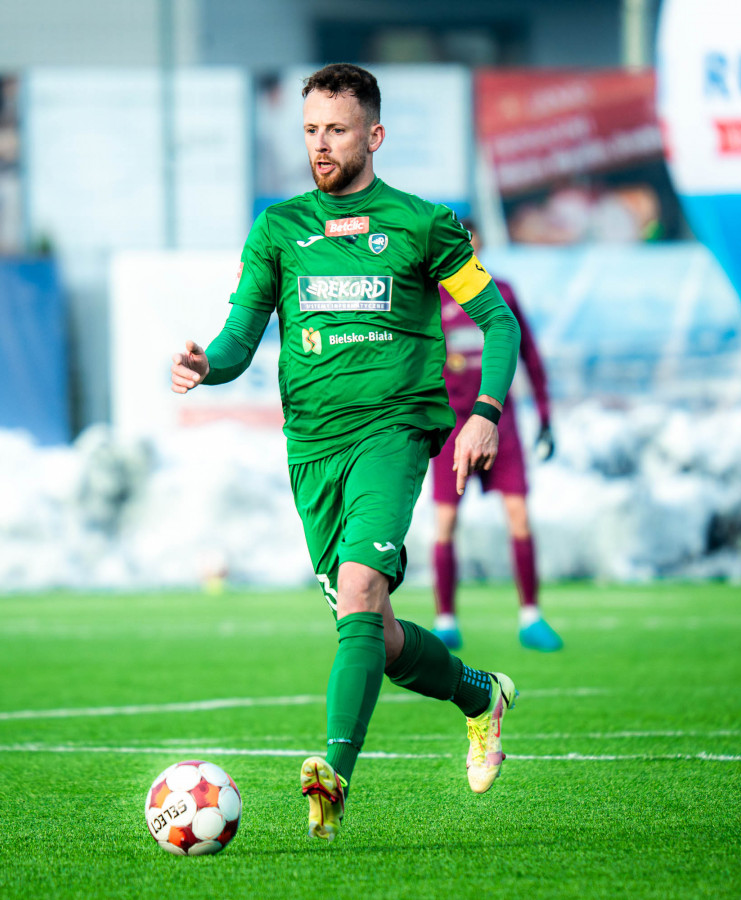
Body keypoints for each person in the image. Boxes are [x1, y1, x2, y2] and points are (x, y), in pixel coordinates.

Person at [169, 63, 521, 842]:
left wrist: (484, 413)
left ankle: (334, 777)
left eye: (336, 129)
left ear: (374, 135)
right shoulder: (278, 229)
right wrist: (206, 365)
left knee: (361, 587)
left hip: (394, 433)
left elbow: (499, 322)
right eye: (310, 130)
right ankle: (479, 696)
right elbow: (238, 341)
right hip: (312, 450)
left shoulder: (423, 224)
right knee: (376, 633)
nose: (320, 145)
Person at [431, 219, 565, 653]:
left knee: (519, 515)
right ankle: (445, 620)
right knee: (445, 522)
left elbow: (530, 356)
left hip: (499, 426)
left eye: (471, 243)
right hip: (451, 429)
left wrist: (545, 417)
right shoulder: (431, 297)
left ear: (480, 245)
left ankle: (531, 616)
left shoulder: (501, 292)